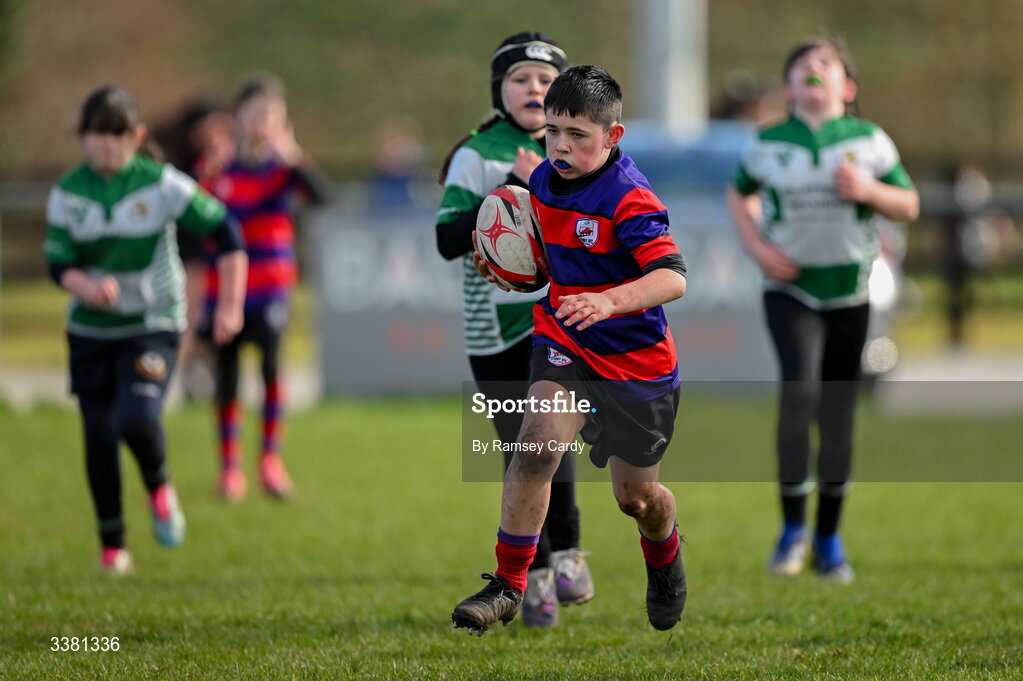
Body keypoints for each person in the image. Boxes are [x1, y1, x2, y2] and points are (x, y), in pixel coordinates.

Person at [451, 65, 689, 635]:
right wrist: (509, 266)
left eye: (578, 135)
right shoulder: (540, 184)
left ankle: (665, 562)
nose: (560, 145)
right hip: (565, 340)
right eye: (554, 131)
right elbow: (543, 260)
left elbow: (672, 277)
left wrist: (609, 302)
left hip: (637, 364)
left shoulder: (629, 197)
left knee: (637, 498)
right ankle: (509, 585)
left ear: (613, 137)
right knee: (537, 443)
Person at [727, 38, 919, 583]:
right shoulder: (768, 142)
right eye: (801, 65)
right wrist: (760, 248)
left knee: (837, 417)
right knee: (798, 395)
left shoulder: (869, 140)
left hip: (849, 294)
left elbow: (908, 205)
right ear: (788, 88)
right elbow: (738, 195)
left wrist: (869, 190)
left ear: (847, 87)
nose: (813, 70)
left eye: (826, 64)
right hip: (790, 292)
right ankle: (792, 532)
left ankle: (830, 539)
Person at [43, 85, 246, 574]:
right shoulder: (68, 192)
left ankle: (158, 486)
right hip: (91, 330)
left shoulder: (161, 183)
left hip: (152, 325)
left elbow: (227, 233)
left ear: (136, 136)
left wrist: (230, 307)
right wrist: (84, 286)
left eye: (116, 135)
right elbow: (58, 263)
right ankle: (113, 544)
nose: (106, 146)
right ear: (81, 137)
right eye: (96, 135)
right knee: (97, 436)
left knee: (136, 419)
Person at [436, 32, 593, 628]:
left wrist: (547, 184)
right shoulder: (476, 154)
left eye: (545, 79)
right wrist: (507, 193)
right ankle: (539, 576)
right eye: (520, 78)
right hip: (495, 329)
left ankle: (568, 553)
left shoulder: (574, 147)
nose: (534, 88)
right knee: (521, 448)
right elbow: (446, 239)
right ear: (500, 91)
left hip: (556, 318)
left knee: (552, 437)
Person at [201, 74, 331, 502]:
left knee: (272, 369)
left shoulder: (283, 170)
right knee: (227, 378)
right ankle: (230, 468)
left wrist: (294, 158)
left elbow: (324, 198)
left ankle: (270, 462)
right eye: (256, 113)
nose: (263, 123)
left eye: (272, 116)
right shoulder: (219, 168)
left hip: (272, 289)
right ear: (237, 117)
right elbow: (197, 222)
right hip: (226, 292)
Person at [153, 98, 236, 399]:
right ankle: (184, 380)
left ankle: (213, 383)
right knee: (190, 318)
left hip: (224, 254)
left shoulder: (233, 161)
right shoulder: (181, 166)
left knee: (216, 324)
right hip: (191, 252)